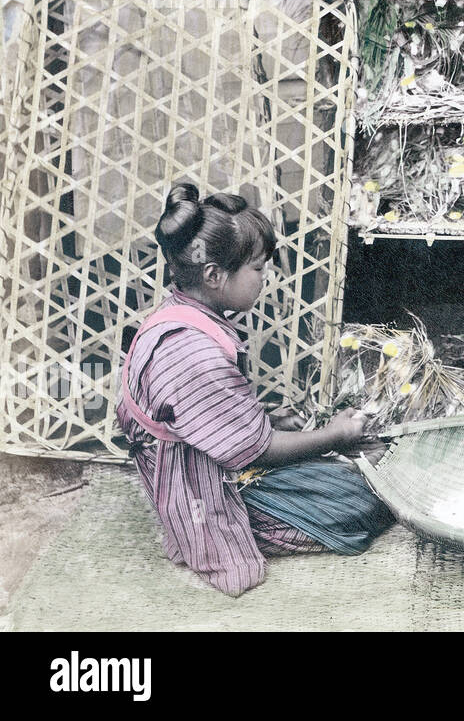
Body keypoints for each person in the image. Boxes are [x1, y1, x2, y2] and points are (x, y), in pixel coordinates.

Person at [116, 183, 391, 596]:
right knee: (360, 505)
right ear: (214, 276)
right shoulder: (192, 351)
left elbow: (206, 415)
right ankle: (233, 528)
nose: (265, 278)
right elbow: (258, 451)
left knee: (357, 471)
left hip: (204, 459)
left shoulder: (179, 314)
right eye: (259, 268)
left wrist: (270, 420)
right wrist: (336, 434)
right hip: (197, 486)